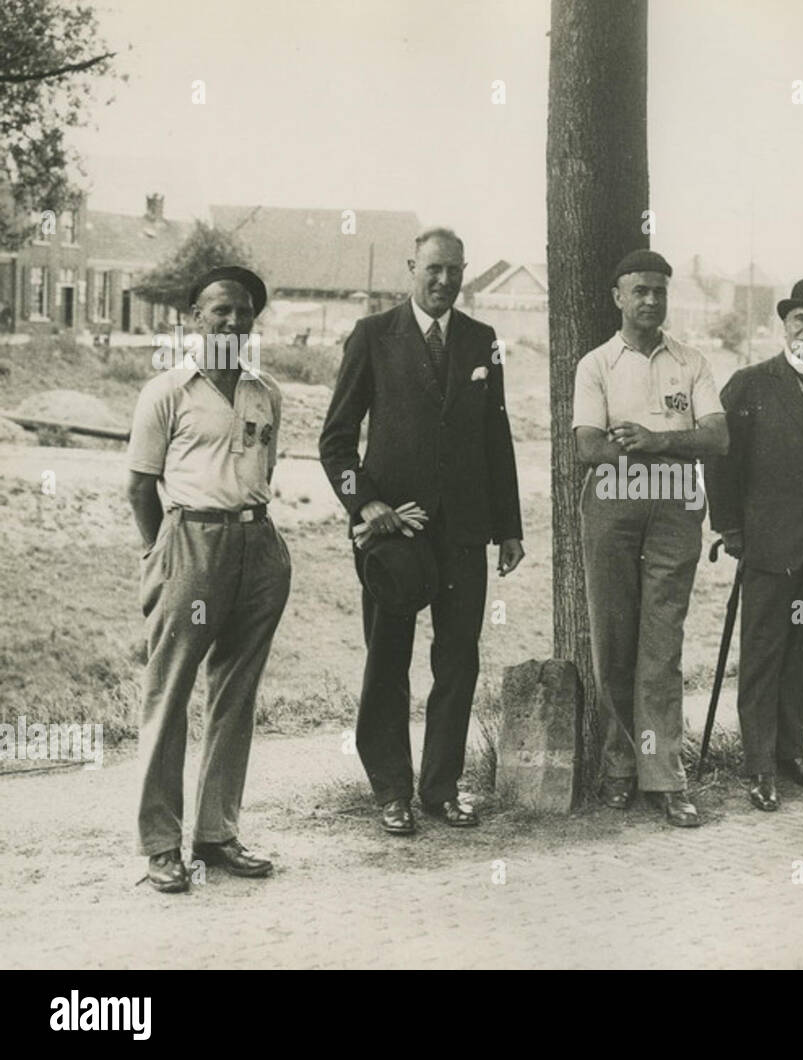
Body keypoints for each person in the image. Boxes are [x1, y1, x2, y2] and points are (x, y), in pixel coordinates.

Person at [319, 227, 524, 836]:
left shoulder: (483, 341)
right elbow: (334, 442)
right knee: (387, 660)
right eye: (433, 269)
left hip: (464, 534)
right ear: (411, 267)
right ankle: (390, 791)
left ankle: (440, 787)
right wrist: (366, 506)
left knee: (458, 661)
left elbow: (497, 437)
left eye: (455, 271)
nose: (444, 282)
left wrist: (508, 527)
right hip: (394, 538)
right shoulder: (372, 336)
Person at [126, 265, 290, 893]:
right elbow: (140, 486)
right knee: (169, 695)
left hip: (257, 543)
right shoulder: (167, 390)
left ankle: (217, 834)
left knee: (236, 695)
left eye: (243, 311)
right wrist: (160, 554)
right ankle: (161, 844)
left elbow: (263, 468)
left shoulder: (264, 391)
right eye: (218, 310)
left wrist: (260, 541)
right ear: (194, 318)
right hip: (190, 543)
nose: (231, 321)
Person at [572, 249, 728, 827]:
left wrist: (653, 440)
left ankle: (664, 776)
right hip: (612, 501)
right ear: (618, 296)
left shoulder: (691, 362)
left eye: (659, 291)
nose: (650, 300)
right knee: (615, 636)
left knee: (662, 644)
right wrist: (660, 442)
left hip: (676, 506)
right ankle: (618, 768)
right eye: (639, 290)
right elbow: (588, 446)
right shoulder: (597, 364)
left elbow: (717, 438)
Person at [706, 278, 803, 812]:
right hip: (771, 552)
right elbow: (720, 462)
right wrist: (731, 531)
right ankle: (758, 766)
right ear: (784, 325)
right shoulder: (749, 386)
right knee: (763, 656)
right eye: (800, 318)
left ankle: (791, 754)